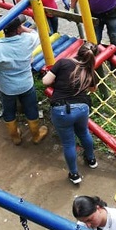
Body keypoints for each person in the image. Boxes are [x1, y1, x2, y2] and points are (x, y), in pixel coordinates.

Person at [0, 14, 48, 145]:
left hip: (7, 88)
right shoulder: (27, 40)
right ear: (18, 29)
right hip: (26, 84)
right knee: (31, 108)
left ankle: (15, 136)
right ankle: (36, 135)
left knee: (8, 111)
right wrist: (23, 29)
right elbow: (36, 34)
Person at [42, 42, 98, 184]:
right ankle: (91, 160)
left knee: (68, 143)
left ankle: (74, 174)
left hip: (62, 110)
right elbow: (93, 89)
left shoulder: (63, 63)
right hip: (82, 108)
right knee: (84, 132)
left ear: (79, 51)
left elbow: (45, 81)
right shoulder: (90, 70)